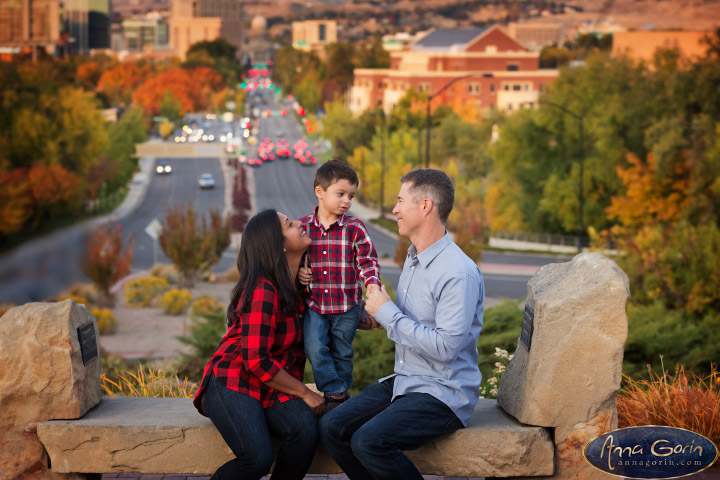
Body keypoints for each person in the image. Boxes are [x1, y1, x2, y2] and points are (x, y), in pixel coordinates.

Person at [319, 169, 485, 480]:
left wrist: (388, 313)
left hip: (443, 392)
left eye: (400, 201)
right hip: (408, 380)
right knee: (332, 427)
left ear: (425, 206)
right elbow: (403, 321)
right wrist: (370, 316)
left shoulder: (457, 272)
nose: (394, 209)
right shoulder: (413, 257)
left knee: (369, 442)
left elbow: (447, 348)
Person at [193, 209, 325, 480]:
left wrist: (369, 317)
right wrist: (305, 393)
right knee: (257, 458)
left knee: (305, 431)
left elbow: (333, 310)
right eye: (290, 224)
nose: (300, 223)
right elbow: (255, 360)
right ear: (279, 244)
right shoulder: (264, 288)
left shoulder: (299, 286)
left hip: (269, 383)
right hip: (233, 379)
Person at [298, 159, 381, 410]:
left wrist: (373, 286)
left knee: (342, 352)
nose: (347, 201)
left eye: (351, 196)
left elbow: (367, 261)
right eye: (341, 194)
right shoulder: (303, 227)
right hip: (315, 304)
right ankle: (335, 390)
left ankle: (338, 397)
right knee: (314, 346)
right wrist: (300, 274)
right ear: (320, 193)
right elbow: (292, 259)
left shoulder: (354, 228)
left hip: (346, 305)